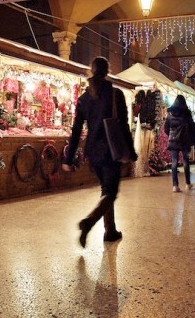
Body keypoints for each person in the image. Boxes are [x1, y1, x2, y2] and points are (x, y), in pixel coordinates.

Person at [62, 56, 137, 248]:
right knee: (111, 193)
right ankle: (89, 222)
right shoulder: (116, 95)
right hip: (111, 151)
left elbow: (76, 130)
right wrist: (131, 151)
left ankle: (110, 231)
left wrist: (68, 158)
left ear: (91, 70)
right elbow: (123, 126)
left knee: (106, 191)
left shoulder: (83, 99)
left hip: (92, 152)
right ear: (107, 71)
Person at [164, 95, 195, 192]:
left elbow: (166, 128)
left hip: (173, 141)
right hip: (184, 141)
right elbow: (192, 127)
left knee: (174, 162)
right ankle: (188, 183)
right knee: (186, 161)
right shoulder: (187, 114)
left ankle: (175, 186)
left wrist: (171, 135)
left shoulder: (170, 114)